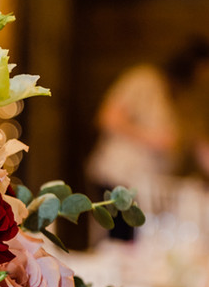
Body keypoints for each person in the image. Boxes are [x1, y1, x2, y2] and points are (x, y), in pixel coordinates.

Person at [87, 38, 209, 192]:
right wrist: (151, 138)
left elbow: (199, 145)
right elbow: (108, 118)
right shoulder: (144, 80)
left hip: (150, 186)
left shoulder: (184, 100)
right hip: (118, 179)